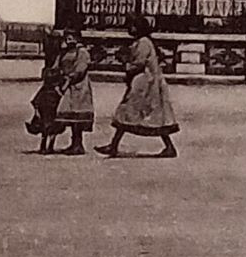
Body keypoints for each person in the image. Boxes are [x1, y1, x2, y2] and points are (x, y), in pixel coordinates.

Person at [96, 16, 179, 158]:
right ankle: (114, 145)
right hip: (145, 83)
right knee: (142, 115)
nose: (130, 28)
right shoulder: (142, 42)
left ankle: (114, 146)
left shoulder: (143, 43)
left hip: (144, 84)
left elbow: (138, 63)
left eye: (133, 26)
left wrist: (126, 65)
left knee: (128, 111)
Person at [51, 30, 95, 155]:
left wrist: (70, 77)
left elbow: (80, 69)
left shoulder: (82, 52)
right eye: (67, 37)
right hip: (66, 86)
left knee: (77, 115)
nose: (69, 40)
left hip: (79, 87)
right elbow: (56, 66)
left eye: (72, 37)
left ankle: (78, 144)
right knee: (67, 113)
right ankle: (74, 143)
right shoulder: (64, 52)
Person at [27, 29, 66, 153]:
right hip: (55, 90)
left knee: (45, 116)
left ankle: (44, 144)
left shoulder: (52, 55)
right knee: (53, 118)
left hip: (48, 89)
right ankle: (49, 145)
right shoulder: (61, 54)